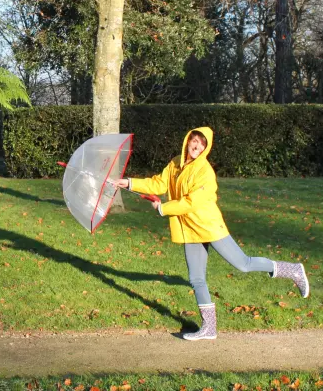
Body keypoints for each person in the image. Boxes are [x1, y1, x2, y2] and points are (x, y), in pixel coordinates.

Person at [114, 126, 309, 341]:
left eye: (202, 143)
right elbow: (158, 183)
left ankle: (292, 270)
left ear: (206, 148)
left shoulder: (204, 171)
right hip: (190, 229)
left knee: (243, 264)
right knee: (196, 278)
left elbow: (192, 201)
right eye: (194, 140)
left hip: (208, 226)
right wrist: (130, 182)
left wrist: (164, 209)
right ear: (187, 140)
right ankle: (209, 328)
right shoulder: (176, 163)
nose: (196, 145)